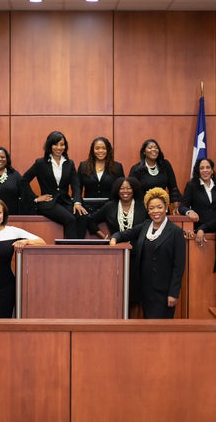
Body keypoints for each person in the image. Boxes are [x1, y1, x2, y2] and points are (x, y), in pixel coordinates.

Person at [109, 188, 186, 319]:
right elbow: (124, 234)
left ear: (166, 207)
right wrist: (114, 238)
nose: (155, 211)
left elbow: (179, 267)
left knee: (161, 331)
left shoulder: (176, 232)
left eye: (159, 207)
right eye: (151, 208)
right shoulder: (145, 225)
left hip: (164, 292)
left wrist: (173, 293)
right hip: (145, 290)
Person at [87, 177, 148, 313]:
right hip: (116, 255)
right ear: (117, 190)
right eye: (122, 188)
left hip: (138, 255)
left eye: (128, 188)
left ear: (134, 190)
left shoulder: (142, 205)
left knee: (135, 295)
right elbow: (90, 221)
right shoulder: (110, 206)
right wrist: (104, 237)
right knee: (115, 292)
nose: (125, 191)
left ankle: (133, 327)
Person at [21, 131, 88, 238]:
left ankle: (79, 247)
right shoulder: (40, 163)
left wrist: (77, 202)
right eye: (55, 144)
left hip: (65, 202)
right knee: (70, 219)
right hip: (48, 203)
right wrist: (36, 198)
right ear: (49, 145)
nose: (59, 147)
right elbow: (23, 181)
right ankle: (71, 252)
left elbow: (75, 185)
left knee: (82, 216)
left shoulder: (69, 163)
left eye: (62, 144)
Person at [128, 139, 182, 211]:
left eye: (156, 148)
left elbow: (173, 187)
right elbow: (131, 191)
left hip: (162, 208)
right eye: (150, 148)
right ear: (144, 152)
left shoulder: (165, 165)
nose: (154, 149)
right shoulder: (136, 169)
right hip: (143, 209)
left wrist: (176, 207)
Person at [179, 157, 216, 231]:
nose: (205, 170)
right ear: (198, 171)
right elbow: (182, 207)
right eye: (202, 168)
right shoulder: (192, 185)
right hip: (199, 228)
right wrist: (189, 212)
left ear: (212, 171)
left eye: (208, 167)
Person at [77, 136, 124, 211]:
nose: (100, 151)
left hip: (110, 208)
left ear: (108, 150)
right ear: (92, 150)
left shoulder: (117, 167)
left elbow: (121, 189)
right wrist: (79, 203)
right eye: (97, 148)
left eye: (104, 148)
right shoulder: (83, 166)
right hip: (88, 207)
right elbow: (77, 188)